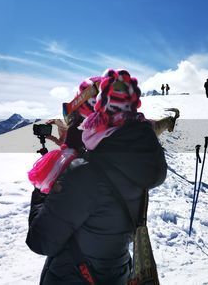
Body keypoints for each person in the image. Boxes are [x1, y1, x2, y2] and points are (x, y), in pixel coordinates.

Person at [27, 69, 168, 284]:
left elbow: (40, 240)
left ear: (91, 118)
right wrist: (73, 152)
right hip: (115, 274)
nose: (74, 124)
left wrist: (43, 188)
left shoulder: (84, 175)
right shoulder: (132, 163)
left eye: (74, 117)